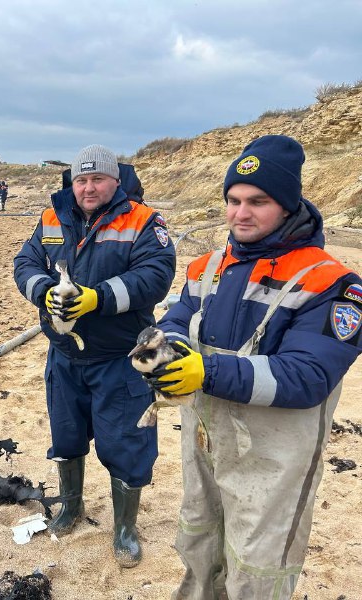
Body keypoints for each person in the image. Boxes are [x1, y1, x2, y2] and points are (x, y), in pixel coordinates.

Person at [150, 135, 362, 598]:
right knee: (200, 541)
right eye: (233, 200)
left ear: (287, 205)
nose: (240, 213)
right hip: (205, 442)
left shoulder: (331, 283)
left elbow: (307, 376)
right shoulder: (207, 267)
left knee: (256, 568)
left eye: (258, 202)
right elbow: (177, 320)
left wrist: (206, 373)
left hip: (273, 461)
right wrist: (170, 351)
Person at [13, 144, 176, 567]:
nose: (88, 188)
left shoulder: (144, 220)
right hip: (64, 357)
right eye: (81, 180)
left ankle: (124, 528)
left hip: (120, 359)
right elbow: (26, 262)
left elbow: (155, 277)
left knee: (126, 444)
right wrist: (45, 291)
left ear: (115, 181)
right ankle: (71, 507)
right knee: (67, 436)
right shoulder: (52, 217)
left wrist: (96, 299)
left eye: (97, 179)